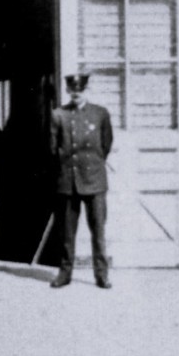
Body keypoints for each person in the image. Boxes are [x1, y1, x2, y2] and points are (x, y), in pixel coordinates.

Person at [50, 70, 114, 289]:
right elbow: (52, 148)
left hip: (95, 181)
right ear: (68, 90)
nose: (76, 93)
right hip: (68, 181)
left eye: (81, 89)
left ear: (87, 90)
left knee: (98, 231)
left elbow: (105, 145)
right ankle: (65, 274)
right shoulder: (59, 115)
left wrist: (92, 165)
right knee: (67, 233)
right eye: (72, 90)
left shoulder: (100, 114)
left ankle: (102, 275)